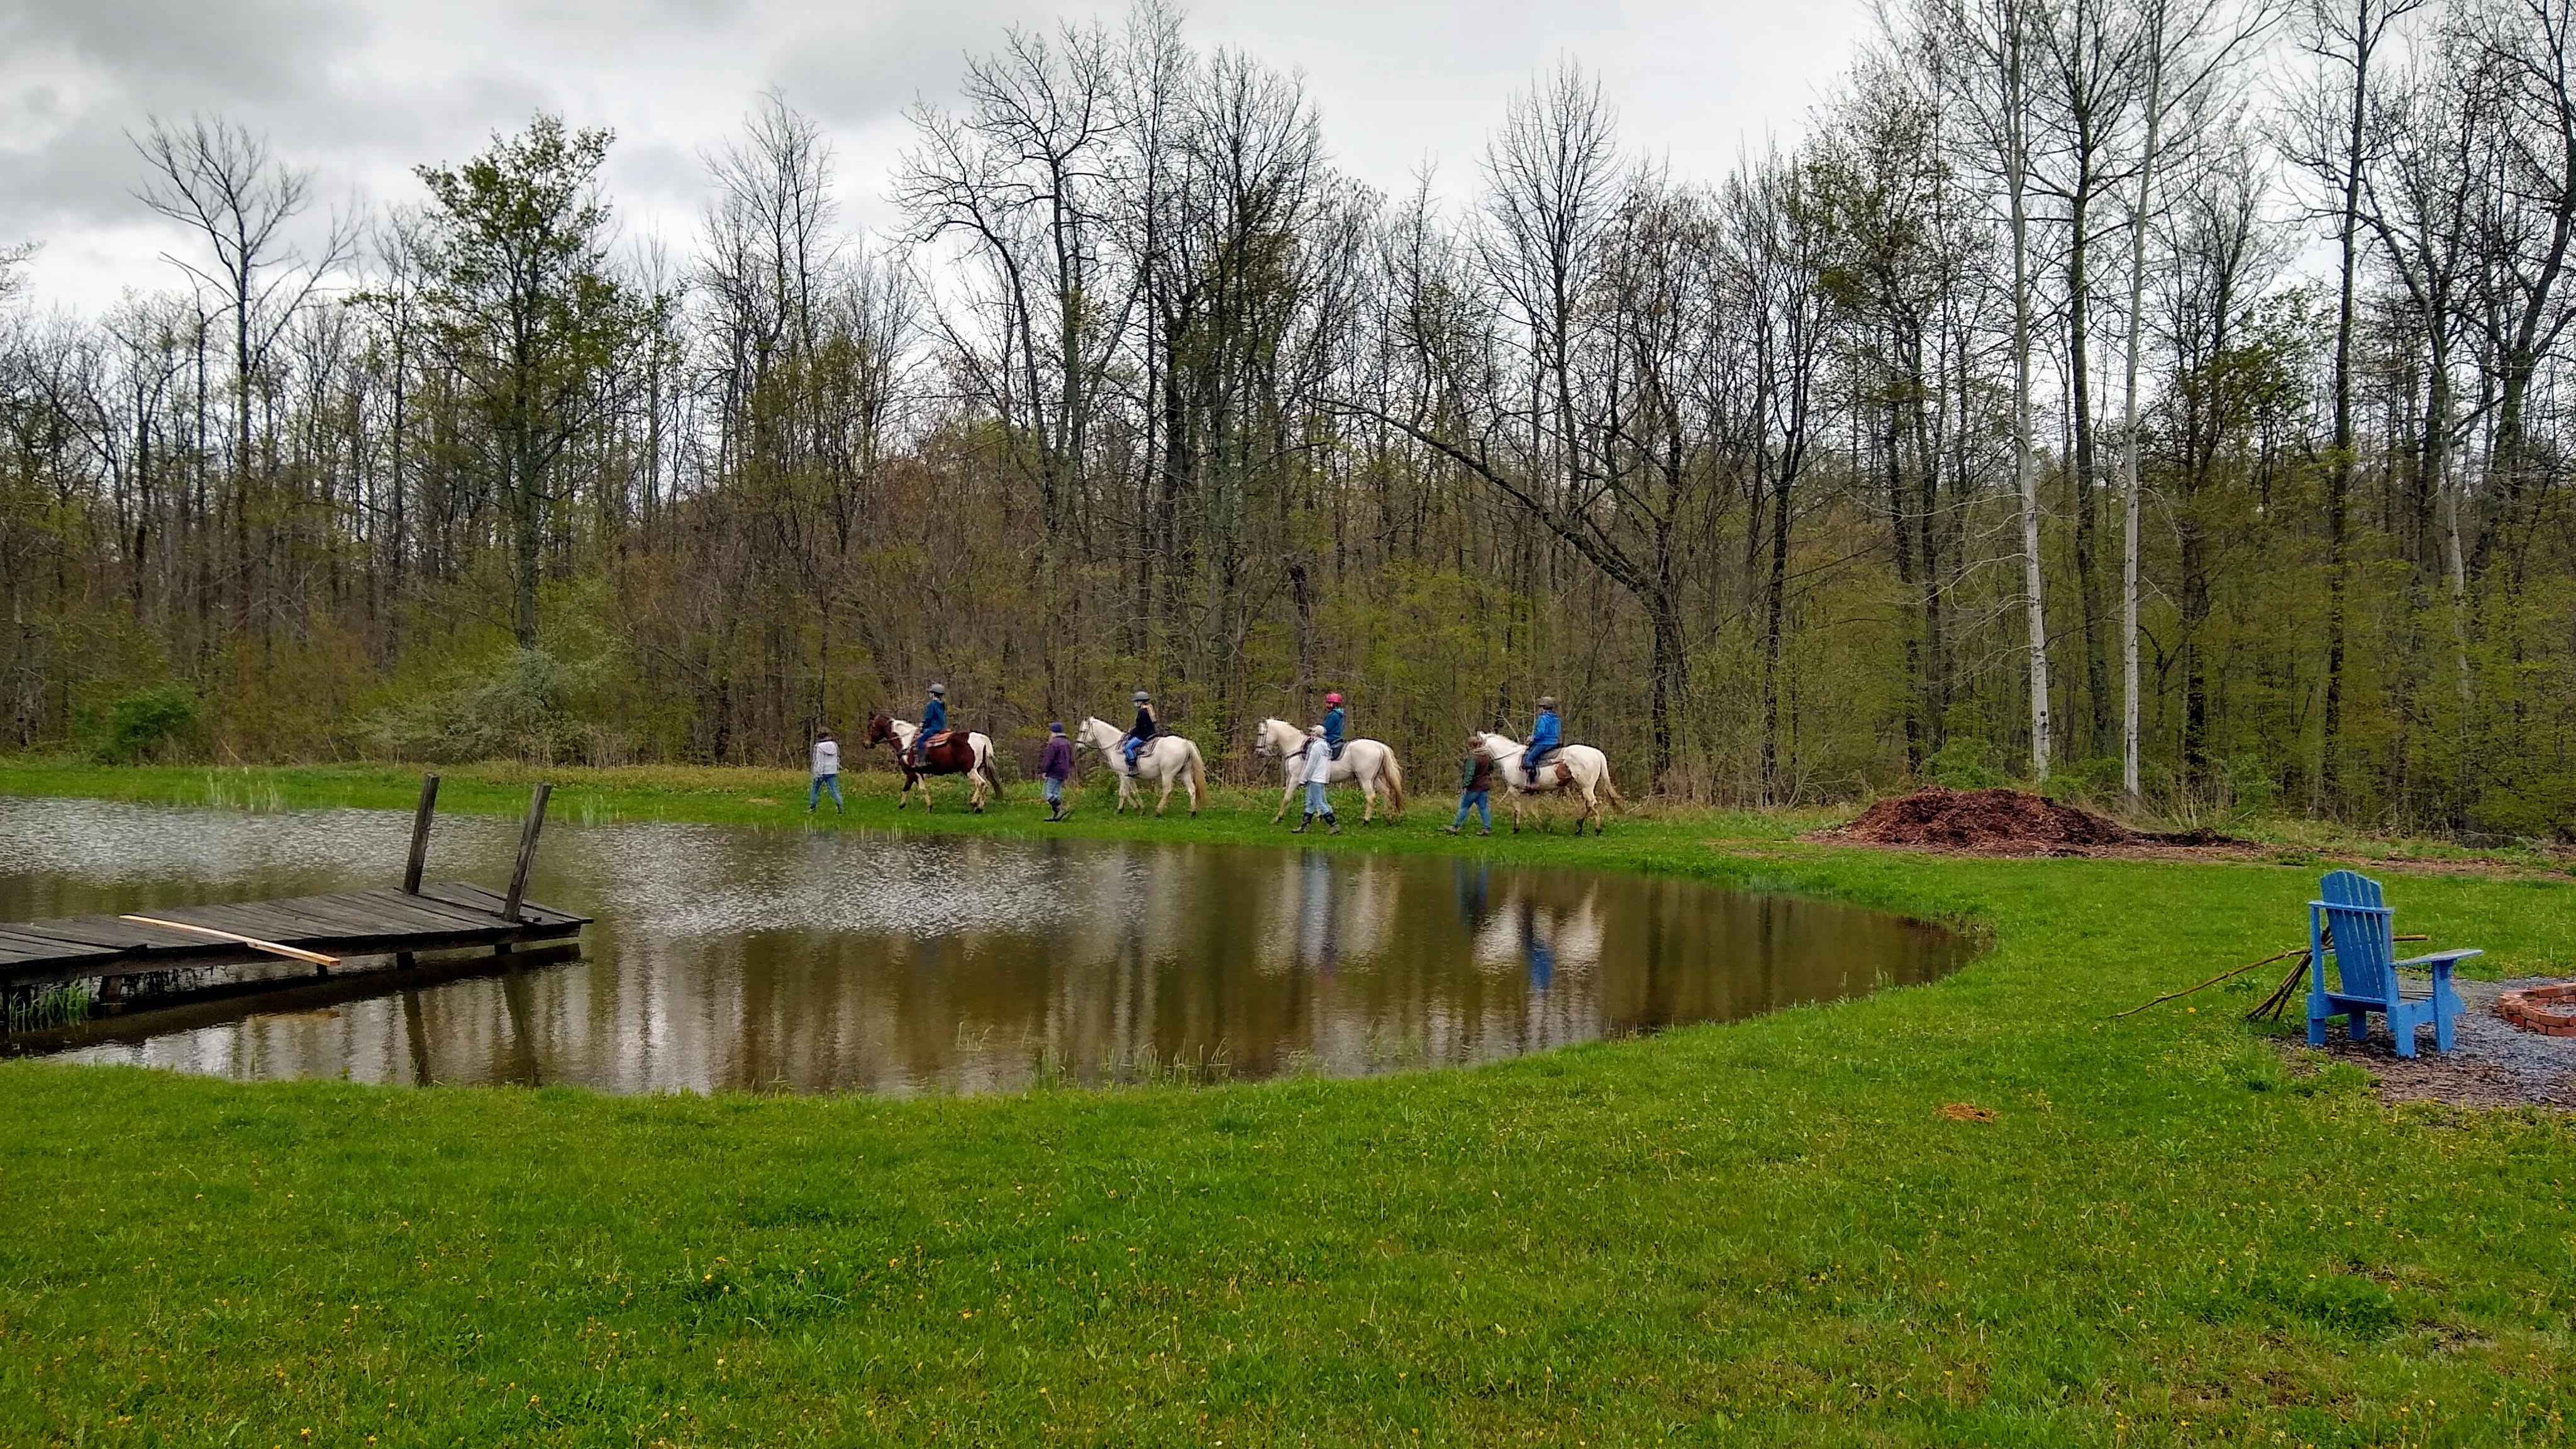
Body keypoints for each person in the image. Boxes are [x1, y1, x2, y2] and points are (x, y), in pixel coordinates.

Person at [1292, 724, 1340, 834]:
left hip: (1315, 779)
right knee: (1310, 802)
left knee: (1320, 803)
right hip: (1320, 778)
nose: (1311, 734)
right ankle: (1303, 827)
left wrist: (1303, 779)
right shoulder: (1324, 746)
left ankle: (1334, 825)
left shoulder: (1316, 747)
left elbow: (1311, 765)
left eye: (1313, 732)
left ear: (1317, 734)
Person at [1446, 742, 1492, 835]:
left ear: (1471, 746)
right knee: (1483, 808)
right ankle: (1487, 828)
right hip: (1484, 785)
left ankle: (1455, 827)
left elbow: (1470, 773)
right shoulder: (1487, 756)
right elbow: (1491, 768)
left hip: (1474, 787)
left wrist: (1465, 785)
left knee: (1464, 807)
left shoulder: (1473, 758)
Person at [1040, 720, 1075, 821]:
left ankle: (1062, 809)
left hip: (1054, 771)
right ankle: (1056, 815)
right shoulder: (1067, 743)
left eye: (1050, 732)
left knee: (1047, 793)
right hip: (1064, 772)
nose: (1050, 734)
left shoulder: (1054, 743)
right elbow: (1071, 759)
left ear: (1054, 732)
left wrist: (1044, 771)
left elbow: (1049, 759)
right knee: (1056, 794)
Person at [1525, 696, 1562, 784]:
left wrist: (1532, 738)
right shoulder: (1556, 718)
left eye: (1540, 707)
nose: (1539, 709)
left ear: (1544, 708)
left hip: (1544, 743)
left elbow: (1541, 733)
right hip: (1554, 742)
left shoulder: (1543, 718)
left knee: (1529, 760)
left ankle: (1533, 782)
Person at [913, 683, 948, 769]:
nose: (929, 694)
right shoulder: (942, 704)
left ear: (933, 694)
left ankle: (922, 761)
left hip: (933, 728)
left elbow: (928, 718)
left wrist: (922, 725)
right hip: (942, 727)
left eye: (931, 693)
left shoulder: (931, 704)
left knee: (920, 740)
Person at [808, 729, 843, 814]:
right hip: (832, 771)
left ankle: (813, 808)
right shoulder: (835, 745)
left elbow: (819, 761)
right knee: (834, 790)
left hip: (822, 772)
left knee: (815, 789)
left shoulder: (819, 747)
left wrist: (817, 773)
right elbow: (837, 758)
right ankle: (840, 807)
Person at [1123, 689, 1158, 772]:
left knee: (1127, 747)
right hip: (1151, 733)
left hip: (1143, 736)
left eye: (1136, 702)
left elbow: (1140, 727)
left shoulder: (1142, 712)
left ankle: (1133, 766)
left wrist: (1131, 734)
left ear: (1141, 702)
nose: (1135, 704)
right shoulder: (1149, 709)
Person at [1320, 691, 1348, 761]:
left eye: (1329, 703)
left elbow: (1326, 729)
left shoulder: (1333, 715)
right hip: (1338, 737)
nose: (1327, 705)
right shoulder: (1340, 714)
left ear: (1335, 704)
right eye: (1327, 703)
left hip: (1330, 738)